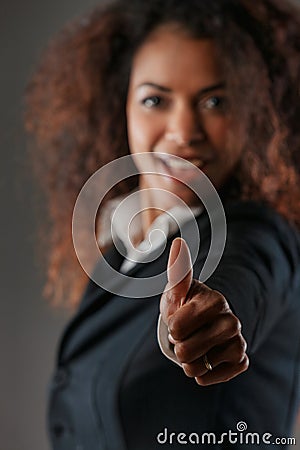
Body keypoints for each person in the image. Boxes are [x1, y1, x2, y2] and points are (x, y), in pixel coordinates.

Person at [25, 0, 300, 448]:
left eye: (214, 101)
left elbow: (247, 276)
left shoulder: (256, 232)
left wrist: (209, 323)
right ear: (123, 107)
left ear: (251, 112)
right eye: (156, 100)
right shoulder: (122, 255)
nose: (184, 130)